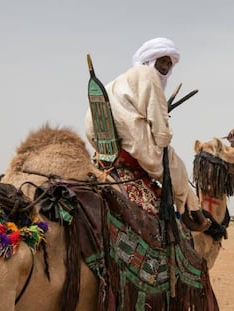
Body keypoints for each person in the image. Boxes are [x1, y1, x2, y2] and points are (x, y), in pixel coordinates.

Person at [85, 37, 210, 231]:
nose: (167, 66)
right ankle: (190, 211)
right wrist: (164, 138)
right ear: (151, 60)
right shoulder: (148, 76)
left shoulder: (118, 81)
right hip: (131, 142)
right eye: (163, 61)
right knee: (175, 164)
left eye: (170, 63)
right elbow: (161, 133)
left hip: (103, 145)